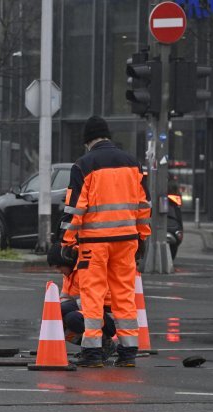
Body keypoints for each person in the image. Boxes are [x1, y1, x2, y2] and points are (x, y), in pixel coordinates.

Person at [59, 116, 151, 368]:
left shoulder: (83, 165)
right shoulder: (133, 164)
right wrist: (142, 237)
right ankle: (128, 353)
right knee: (124, 295)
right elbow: (143, 206)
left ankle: (93, 353)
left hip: (94, 244)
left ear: (87, 141)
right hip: (127, 241)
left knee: (92, 297)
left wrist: (67, 242)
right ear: (108, 136)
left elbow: (75, 209)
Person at [47, 244, 117, 361]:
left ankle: (105, 343)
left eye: (59, 267)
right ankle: (89, 348)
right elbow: (64, 298)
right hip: (90, 313)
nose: (58, 271)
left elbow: (91, 301)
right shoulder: (69, 275)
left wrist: (66, 307)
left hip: (105, 315)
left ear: (67, 261)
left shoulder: (85, 271)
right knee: (57, 317)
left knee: (72, 318)